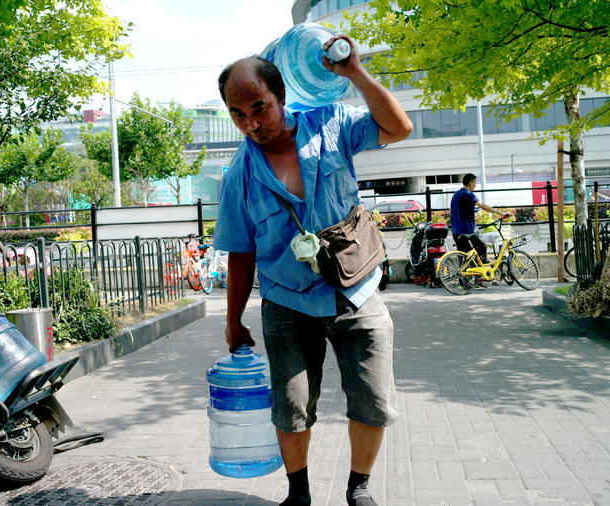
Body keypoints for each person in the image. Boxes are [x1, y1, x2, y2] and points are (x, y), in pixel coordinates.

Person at [213, 33, 413, 506]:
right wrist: (232, 319)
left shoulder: (333, 123)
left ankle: (358, 487)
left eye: (258, 107)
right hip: (286, 303)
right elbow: (241, 254)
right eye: (238, 114)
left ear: (280, 96)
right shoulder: (237, 176)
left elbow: (399, 127)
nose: (251, 123)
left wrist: (354, 74)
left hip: (357, 292)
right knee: (291, 406)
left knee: (372, 399)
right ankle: (298, 493)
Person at [450, 174, 509, 266]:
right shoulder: (468, 194)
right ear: (470, 183)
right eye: (475, 183)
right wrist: (500, 214)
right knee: (482, 247)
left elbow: (455, 210)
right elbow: (482, 206)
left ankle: (465, 278)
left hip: (455, 231)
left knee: (465, 256)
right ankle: (481, 270)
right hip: (466, 231)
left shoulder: (456, 194)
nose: (475, 185)